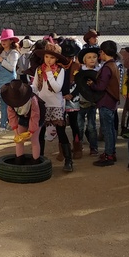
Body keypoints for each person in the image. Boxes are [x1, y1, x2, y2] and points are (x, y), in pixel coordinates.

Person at [31, 44, 73, 172]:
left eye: (52, 58)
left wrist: (49, 74)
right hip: (42, 104)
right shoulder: (39, 69)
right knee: (40, 132)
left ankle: (68, 160)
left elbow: (57, 88)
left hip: (55, 104)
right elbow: (35, 86)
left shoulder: (60, 71)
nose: (48, 60)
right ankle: (40, 158)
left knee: (61, 132)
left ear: (57, 59)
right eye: (46, 56)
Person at [89, 40, 121, 167]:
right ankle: (111, 152)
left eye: (100, 52)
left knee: (107, 129)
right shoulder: (114, 65)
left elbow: (101, 87)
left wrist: (92, 84)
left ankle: (108, 154)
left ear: (104, 52)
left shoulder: (107, 67)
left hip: (106, 101)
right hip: (112, 101)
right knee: (111, 129)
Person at [1, 79, 44, 165]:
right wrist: (16, 131)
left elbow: (35, 116)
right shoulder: (10, 101)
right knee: (19, 140)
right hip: (22, 117)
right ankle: (19, 159)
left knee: (34, 139)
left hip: (37, 116)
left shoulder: (33, 100)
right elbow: (12, 116)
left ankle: (35, 161)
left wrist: (31, 131)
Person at [0, 29, 20, 135]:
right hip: (0, 82)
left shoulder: (14, 53)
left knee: (6, 105)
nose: (3, 42)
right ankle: (9, 124)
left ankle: (3, 126)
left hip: (9, 83)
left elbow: (11, 68)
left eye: (6, 40)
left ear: (11, 41)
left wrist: (0, 59)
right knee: (6, 105)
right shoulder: (1, 52)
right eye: (2, 40)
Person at [75, 46, 101, 156]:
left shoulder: (99, 72)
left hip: (92, 103)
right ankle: (78, 146)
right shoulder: (79, 72)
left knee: (92, 126)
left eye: (94, 57)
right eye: (89, 57)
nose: (92, 59)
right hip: (80, 103)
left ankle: (93, 147)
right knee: (79, 126)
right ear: (84, 60)